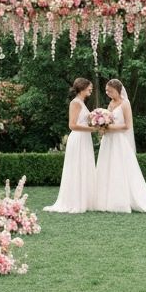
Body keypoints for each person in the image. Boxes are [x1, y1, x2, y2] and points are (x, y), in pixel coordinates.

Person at [94, 78, 146, 214]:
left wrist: (109, 127)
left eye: (111, 91)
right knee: (106, 166)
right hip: (108, 140)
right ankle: (104, 200)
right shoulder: (110, 103)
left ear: (118, 90)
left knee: (118, 167)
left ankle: (119, 202)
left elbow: (127, 125)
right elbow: (108, 120)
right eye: (107, 91)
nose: (108, 93)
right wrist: (102, 127)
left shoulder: (125, 104)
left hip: (119, 140)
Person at [44, 78, 98, 213]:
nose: (91, 89)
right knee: (77, 167)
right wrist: (92, 129)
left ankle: (85, 200)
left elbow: (82, 121)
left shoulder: (82, 103)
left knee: (84, 167)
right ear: (82, 88)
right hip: (78, 138)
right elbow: (72, 125)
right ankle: (74, 201)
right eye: (89, 87)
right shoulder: (75, 103)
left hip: (84, 138)